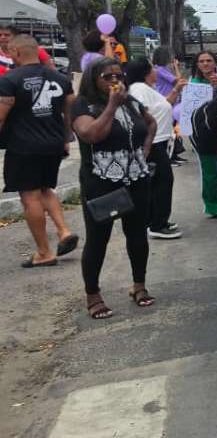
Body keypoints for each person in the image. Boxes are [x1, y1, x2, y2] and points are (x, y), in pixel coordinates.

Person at [71, 58, 156, 319]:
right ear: (93, 80)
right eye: (107, 77)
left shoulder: (130, 102)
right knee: (98, 239)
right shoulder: (83, 105)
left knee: (137, 235)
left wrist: (146, 149)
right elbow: (92, 134)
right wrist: (111, 106)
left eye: (118, 76)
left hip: (136, 180)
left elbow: (150, 124)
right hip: (102, 183)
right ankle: (93, 294)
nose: (114, 81)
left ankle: (139, 285)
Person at [0, 34, 78, 267]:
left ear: (16, 52)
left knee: (29, 195)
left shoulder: (9, 80)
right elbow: (70, 109)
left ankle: (44, 252)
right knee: (45, 188)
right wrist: (65, 138)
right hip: (53, 143)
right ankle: (64, 231)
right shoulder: (59, 78)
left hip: (23, 146)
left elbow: (1, 116)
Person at [125, 57, 187, 240]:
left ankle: (156, 220)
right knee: (162, 182)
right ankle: (157, 224)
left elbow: (164, 105)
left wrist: (176, 90)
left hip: (158, 141)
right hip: (151, 143)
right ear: (145, 72)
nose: (156, 72)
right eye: (152, 68)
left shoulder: (147, 89)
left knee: (157, 183)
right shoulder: (138, 90)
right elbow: (139, 115)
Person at [188, 51, 217, 222]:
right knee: (211, 173)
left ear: (215, 63)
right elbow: (197, 112)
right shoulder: (193, 84)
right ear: (197, 65)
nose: (205, 64)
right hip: (203, 136)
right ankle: (215, 207)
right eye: (201, 61)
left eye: (209, 60)